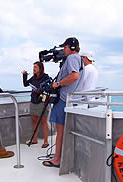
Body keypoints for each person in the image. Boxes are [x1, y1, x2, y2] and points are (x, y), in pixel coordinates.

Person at [42, 37, 83, 168]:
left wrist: (58, 84)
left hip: (64, 100)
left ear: (71, 48)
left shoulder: (72, 58)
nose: (63, 50)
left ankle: (57, 159)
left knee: (60, 131)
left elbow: (74, 75)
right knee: (63, 131)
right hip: (71, 100)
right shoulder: (78, 59)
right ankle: (61, 157)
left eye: (64, 47)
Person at [22, 61, 50, 148]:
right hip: (33, 100)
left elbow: (48, 87)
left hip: (41, 101)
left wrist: (40, 90)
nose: (34, 69)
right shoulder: (33, 78)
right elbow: (25, 84)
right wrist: (24, 75)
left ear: (40, 68)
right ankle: (34, 139)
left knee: (43, 121)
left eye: (36, 67)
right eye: (33, 67)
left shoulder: (45, 76)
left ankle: (46, 141)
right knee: (34, 120)